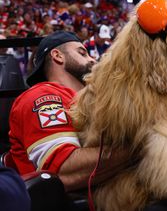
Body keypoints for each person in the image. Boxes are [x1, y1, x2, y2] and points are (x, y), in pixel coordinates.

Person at [8, 31, 130, 192]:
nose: (92, 59)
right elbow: (62, 172)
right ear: (58, 56)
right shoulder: (42, 96)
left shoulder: (93, 98)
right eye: (82, 53)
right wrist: (141, 147)